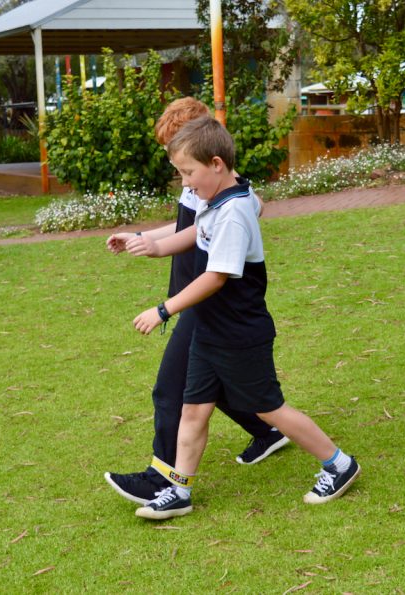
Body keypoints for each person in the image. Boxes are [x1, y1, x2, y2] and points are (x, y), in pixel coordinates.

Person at [129, 116, 360, 519]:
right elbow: (196, 235)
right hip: (209, 329)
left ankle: (339, 464)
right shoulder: (215, 202)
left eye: (188, 173)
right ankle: (179, 490)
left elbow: (216, 276)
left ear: (217, 164)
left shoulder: (234, 212)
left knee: (269, 408)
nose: (185, 183)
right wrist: (156, 246)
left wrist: (164, 309)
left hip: (239, 333)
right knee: (194, 408)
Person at [103, 98, 289, 506]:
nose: (182, 175)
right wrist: (147, 239)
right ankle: (269, 430)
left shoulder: (228, 187)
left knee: (171, 388)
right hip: (197, 300)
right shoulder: (200, 183)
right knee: (213, 387)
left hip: (208, 301)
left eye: (185, 163)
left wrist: (166, 308)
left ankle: (163, 478)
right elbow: (191, 225)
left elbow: (249, 207)